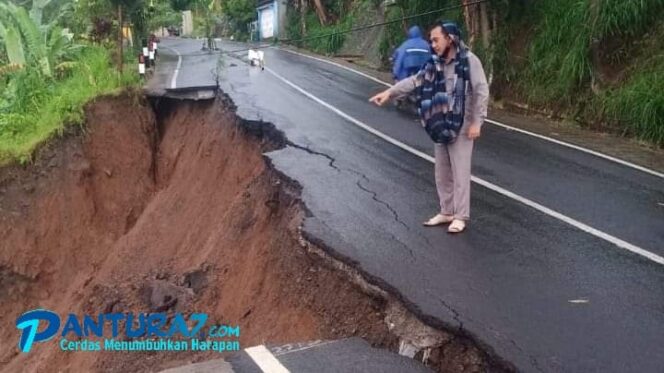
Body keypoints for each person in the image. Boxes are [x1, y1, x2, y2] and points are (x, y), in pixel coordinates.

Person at [369, 21, 489, 234]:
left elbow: (481, 91)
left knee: (460, 172)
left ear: (450, 38)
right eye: (431, 40)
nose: (432, 44)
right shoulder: (434, 64)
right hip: (440, 124)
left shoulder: (469, 61)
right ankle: (447, 211)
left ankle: (460, 216)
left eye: (436, 39)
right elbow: (415, 81)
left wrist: (477, 122)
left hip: (462, 125)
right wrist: (390, 93)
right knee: (442, 171)